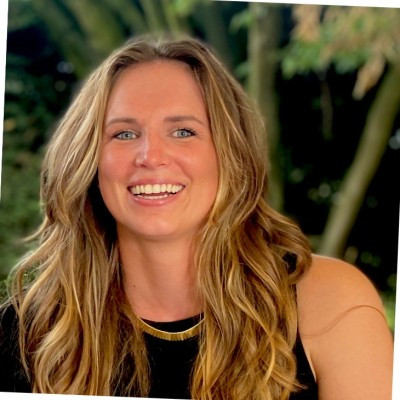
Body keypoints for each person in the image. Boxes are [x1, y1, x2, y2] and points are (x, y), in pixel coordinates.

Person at [0, 36, 393, 400]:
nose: (151, 157)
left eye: (184, 132)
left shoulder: (329, 304)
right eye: (124, 134)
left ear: (230, 154)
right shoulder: (26, 334)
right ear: (87, 161)